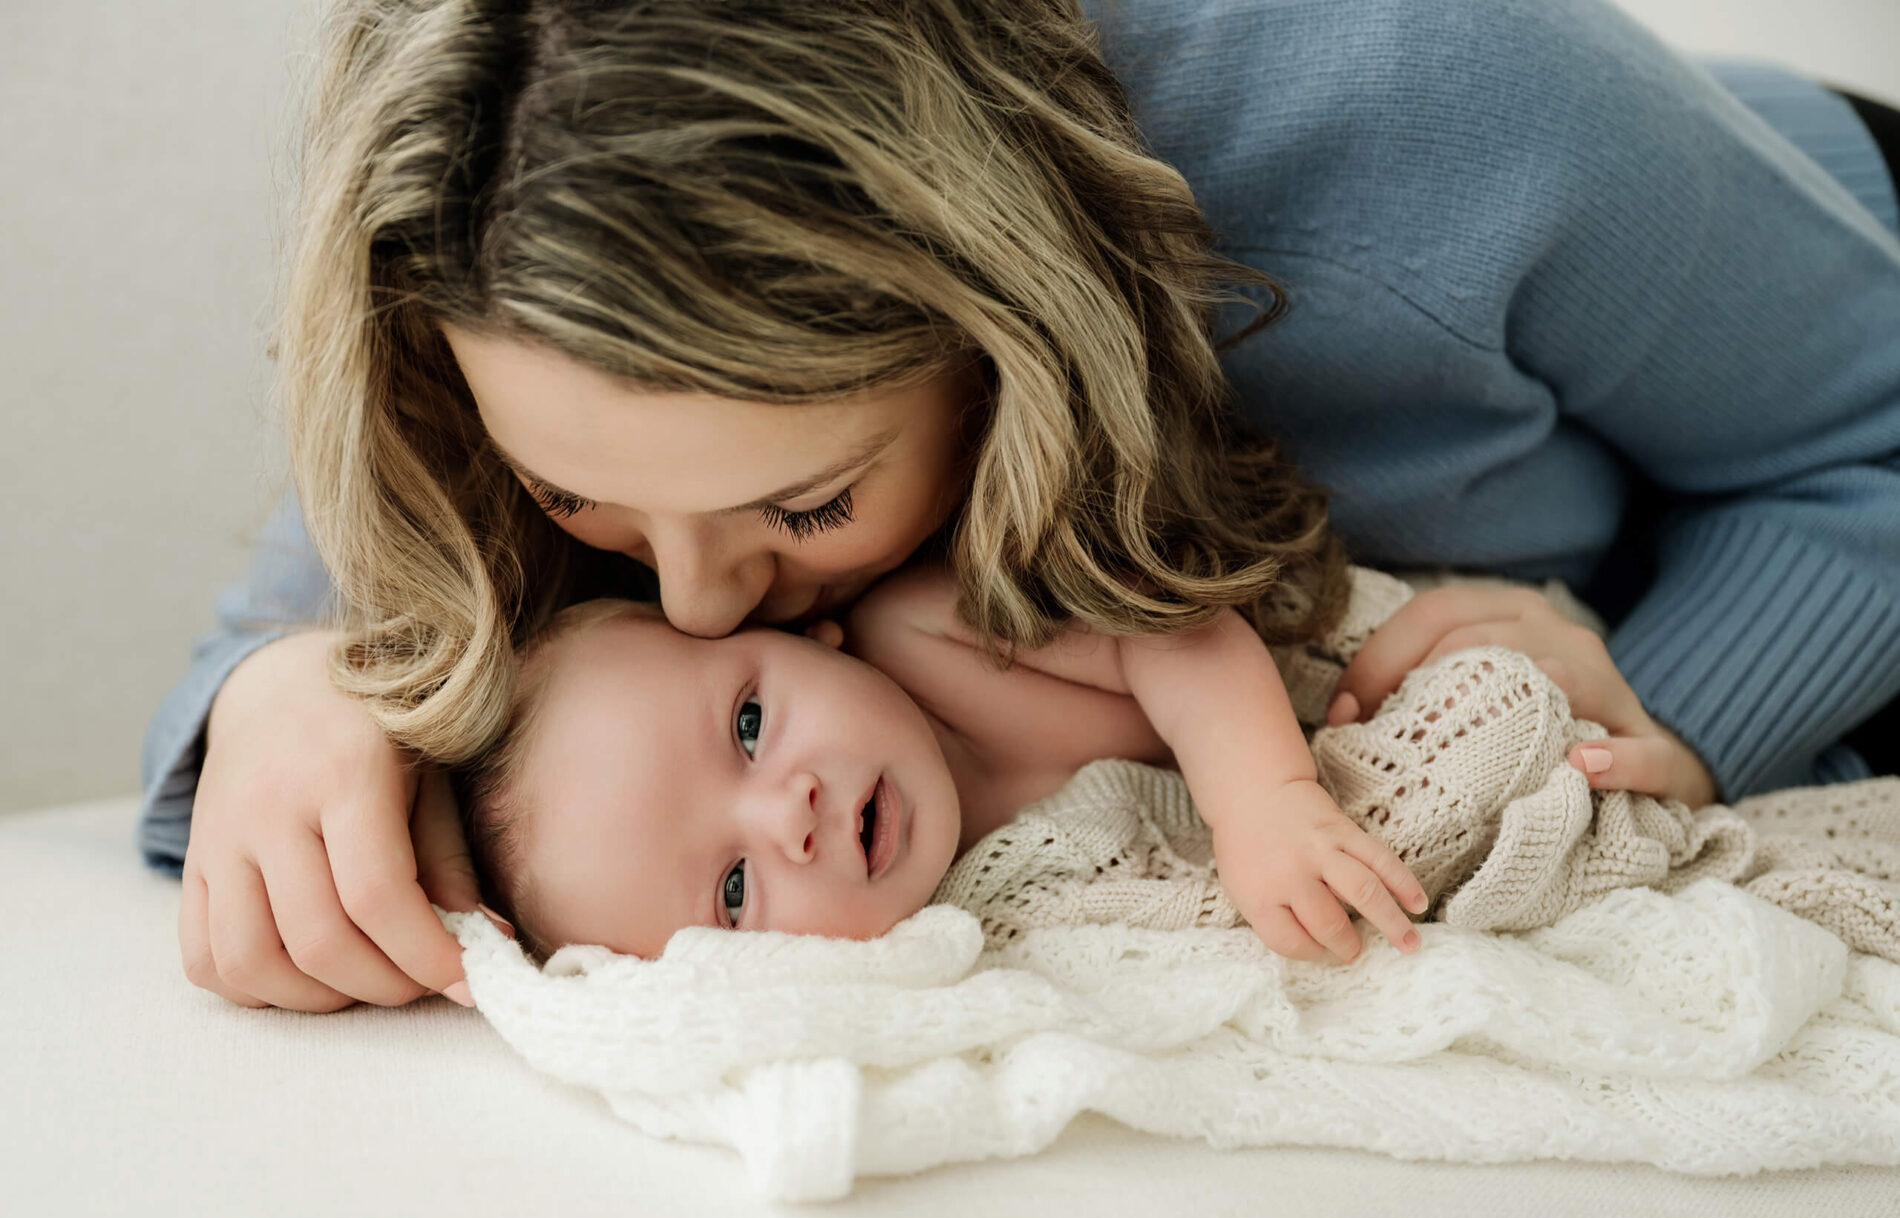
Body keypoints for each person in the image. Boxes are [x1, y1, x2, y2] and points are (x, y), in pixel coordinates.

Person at [140, 0, 1900, 1013]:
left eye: (807, 497)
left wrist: (1655, 714)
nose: (696, 614)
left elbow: (1865, 450)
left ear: (1003, 330)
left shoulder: (1454, 101)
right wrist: (297, 694)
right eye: (568, 497)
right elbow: (262, 663)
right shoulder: (514, 212)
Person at [449, 566, 1431, 964]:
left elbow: (1174, 631)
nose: (786, 814)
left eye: (749, 727)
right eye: (736, 889)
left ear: (807, 634)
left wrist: (1262, 799)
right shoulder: (934, 936)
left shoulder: (922, 629)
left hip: (1327, 688)